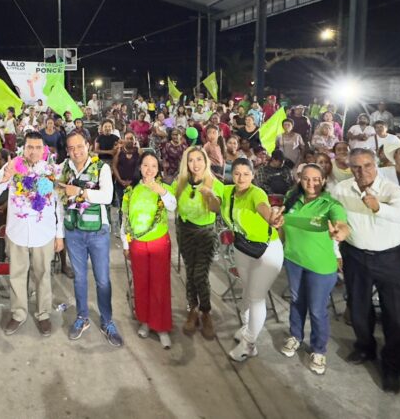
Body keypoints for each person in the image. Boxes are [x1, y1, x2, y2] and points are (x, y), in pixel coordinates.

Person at [332, 148, 400, 393]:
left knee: (396, 314)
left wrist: (379, 207)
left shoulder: (392, 190)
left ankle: (392, 365)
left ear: (376, 165)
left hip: (391, 258)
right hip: (355, 255)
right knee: (358, 307)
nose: (362, 171)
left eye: (367, 165)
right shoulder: (341, 189)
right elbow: (335, 219)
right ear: (349, 168)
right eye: (356, 167)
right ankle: (365, 347)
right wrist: (337, 251)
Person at [279, 164, 350, 375]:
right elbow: (283, 225)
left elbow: (342, 225)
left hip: (321, 267)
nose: (311, 183)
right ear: (299, 179)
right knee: (296, 301)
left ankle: (318, 350)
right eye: (306, 178)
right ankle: (295, 336)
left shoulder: (331, 204)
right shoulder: (291, 197)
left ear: (324, 180)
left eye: (316, 179)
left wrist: (340, 232)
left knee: (317, 310)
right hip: (293, 260)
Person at [0, 132, 63, 336]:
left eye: (38, 147)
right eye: (30, 147)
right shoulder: (13, 166)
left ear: (44, 150)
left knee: (43, 275)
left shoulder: (51, 170)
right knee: (17, 275)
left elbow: (58, 206)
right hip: (17, 233)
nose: (33, 151)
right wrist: (5, 177)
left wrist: (59, 235)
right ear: (24, 148)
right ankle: (18, 313)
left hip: (44, 233)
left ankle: (43, 314)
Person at [58, 131, 121, 346]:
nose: (76, 151)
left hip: (97, 232)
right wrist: (60, 234)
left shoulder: (101, 168)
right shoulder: (63, 169)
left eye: (79, 146)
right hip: (73, 231)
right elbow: (60, 202)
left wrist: (81, 192)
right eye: (71, 148)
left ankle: (107, 320)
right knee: (79, 278)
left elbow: (107, 196)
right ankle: (82, 317)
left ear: (88, 145)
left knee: (102, 280)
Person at [221, 158, 283, 362]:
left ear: (253, 175)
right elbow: (211, 189)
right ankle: (248, 327)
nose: (241, 178)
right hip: (243, 247)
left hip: (267, 251)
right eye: (237, 173)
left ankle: (249, 343)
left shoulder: (257, 193)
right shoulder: (227, 191)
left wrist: (271, 217)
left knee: (256, 297)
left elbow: (263, 207)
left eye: (246, 174)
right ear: (231, 174)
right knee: (247, 289)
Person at [121, 151, 176, 349]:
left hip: (159, 243)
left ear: (158, 169)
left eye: (154, 166)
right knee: (141, 284)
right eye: (146, 165)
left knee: (159, 285)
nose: (149, 169)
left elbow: (172, 206)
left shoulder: (164, 188)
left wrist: (160, 190)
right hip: (137, 244)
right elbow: (125, 219)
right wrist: (125, 244)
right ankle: (144, 321)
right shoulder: (130, 192)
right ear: (140, 167)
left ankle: (161, 327)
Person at [174, 146, 223, 340]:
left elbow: (216, 209)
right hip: (184, 231)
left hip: (205, 234)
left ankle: (206, 312)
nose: (195, 164)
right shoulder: (180, 183)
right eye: (191, 160)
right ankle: (193, 310)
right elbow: (169, 200)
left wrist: (210, 195)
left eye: (199, 159)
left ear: (206, 161)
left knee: (199, 275)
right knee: (190, 271)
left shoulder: (214, 183)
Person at [112, 131, 140, 227]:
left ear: (135, 140)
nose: (129, 140)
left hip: (135, 184)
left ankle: (134, 226)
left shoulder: (139, 151)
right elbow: (114, 166)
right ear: (123, 139)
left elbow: (141, 167)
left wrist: (132, 181)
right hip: (120, 184)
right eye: (127, 138)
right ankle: (122, 227)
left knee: (134, 205)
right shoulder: (119, 151)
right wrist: (120, 180)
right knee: (121, 206)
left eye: (131, 138)